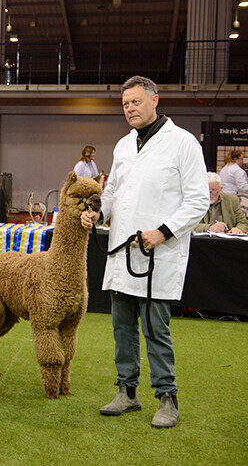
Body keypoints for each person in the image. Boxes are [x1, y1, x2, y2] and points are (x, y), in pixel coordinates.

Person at [83, 76, 208, 429]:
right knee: (122, 327)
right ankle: (127, 391)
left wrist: (163, 232)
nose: (130, 109)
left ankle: (167, 397)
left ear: (155, 100)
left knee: (155, 329)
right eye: (125, 104)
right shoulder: (123, 146)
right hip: (122, 252)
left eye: (136, 102)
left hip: (158, 253)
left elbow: (198, 199)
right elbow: (114, 193)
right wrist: (99, 212)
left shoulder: (182, 143)